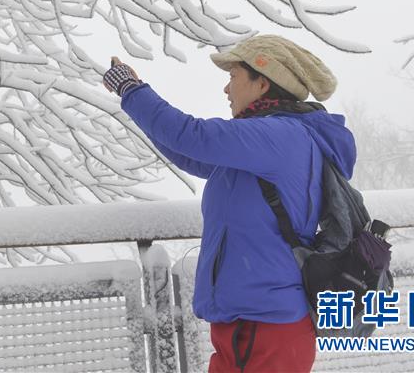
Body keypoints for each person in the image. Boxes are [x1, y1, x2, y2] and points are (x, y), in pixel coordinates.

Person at [103, 35, 357, 373]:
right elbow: (190, 151)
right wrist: (133, 99)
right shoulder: (259, 142)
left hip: (268, 326)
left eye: (233, 77)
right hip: (246, 321)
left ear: (263, 82)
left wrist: (133, 91)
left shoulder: (280, 136)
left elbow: (193, 136)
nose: (227, 90)